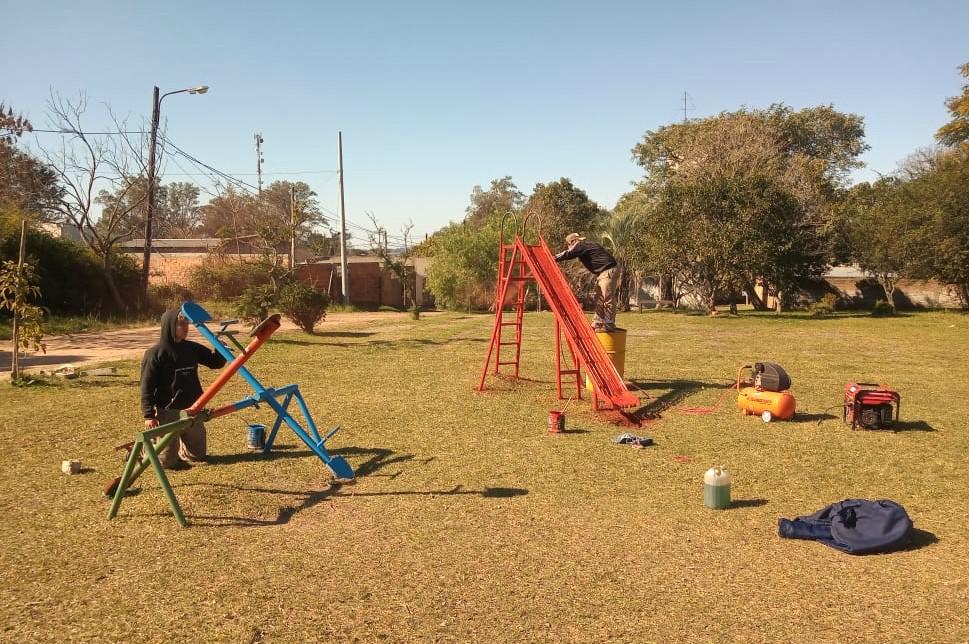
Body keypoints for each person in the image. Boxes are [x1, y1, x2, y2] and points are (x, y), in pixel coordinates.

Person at [140, 308, 226, 469]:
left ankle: (179, 449)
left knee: (197, 455)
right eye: (181, 324)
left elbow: (215, 363)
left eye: (187, 324)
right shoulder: (155, 353)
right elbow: (146, 386)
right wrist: (149, 415)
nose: (185, 327)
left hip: (193, 409)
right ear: (170, 326)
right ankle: (145, 451)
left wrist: (220, 348)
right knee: (167, 463)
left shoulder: (191, 348)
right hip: (168, 411)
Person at [554, 232, 620, 331]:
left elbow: (568, 253)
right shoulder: (588, 244)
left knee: (607, 298)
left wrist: (553, 258)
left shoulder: (581, 245)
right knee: (599, 298)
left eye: (569, 245)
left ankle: (609, 324)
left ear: (573, 242)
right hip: (604, 272)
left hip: (607, 271)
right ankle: (598, 322)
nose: (569, 247)